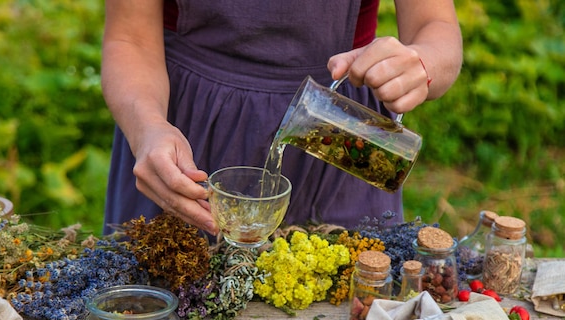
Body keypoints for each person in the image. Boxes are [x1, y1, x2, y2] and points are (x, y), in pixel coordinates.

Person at [101, 0, 462, 236]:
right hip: (188, 139)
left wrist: (421, 63)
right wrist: (148, 128)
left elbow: (435, 27)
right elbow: (130, 40)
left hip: (339, 137)